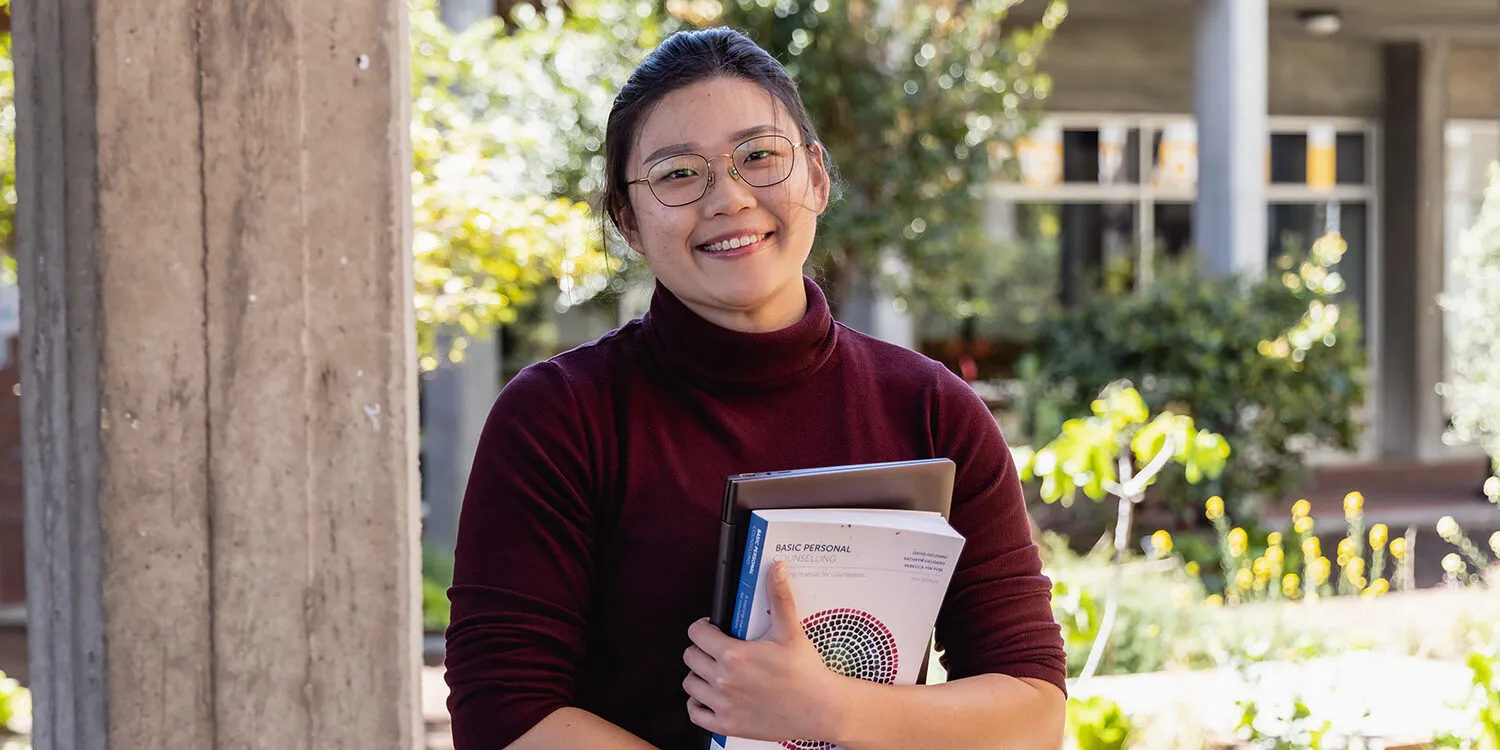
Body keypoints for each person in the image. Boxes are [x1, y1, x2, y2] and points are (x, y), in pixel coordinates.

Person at [444, 26, 1067, 750]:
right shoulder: (559, 417)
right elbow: (504, 714)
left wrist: (828, 707)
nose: (729, 198)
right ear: (628, 221)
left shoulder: (932, 411)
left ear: (817, 178)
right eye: (679, 173)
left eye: (759, 157)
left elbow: (1032, 713)